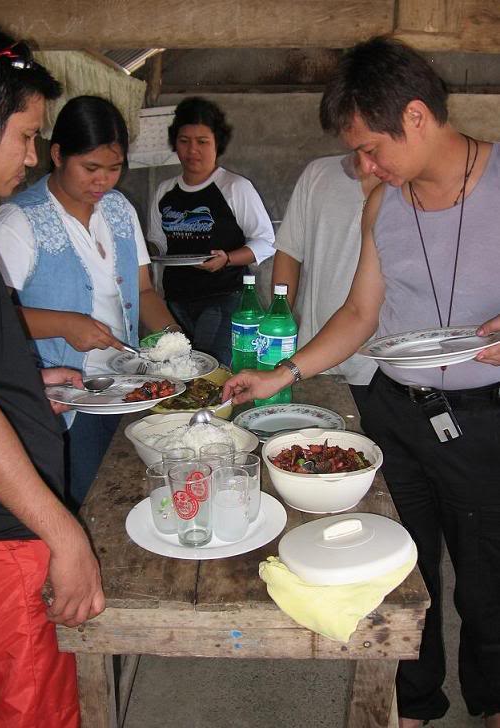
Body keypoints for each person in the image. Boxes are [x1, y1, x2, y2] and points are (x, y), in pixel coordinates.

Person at [224, 36, 500, 728]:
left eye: (370, 149)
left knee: (489, 583)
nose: (363, 167)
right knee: (396, 571)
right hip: (394, 412)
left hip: (484, 416)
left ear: (415, 118)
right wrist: (278, 374)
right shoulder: (386, 205)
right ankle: (412, 703)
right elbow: (357, 314)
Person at [0, 23, 105, 727]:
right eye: (24, 136)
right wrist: (65, 535)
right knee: (26, 711)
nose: (29, 156)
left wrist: (25, 388)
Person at [0, 95, 180, 508]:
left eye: (114, 169)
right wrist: (63, 323)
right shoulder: (18, 223)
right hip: (65, 401)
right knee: (78, 500)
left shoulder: (119, 210)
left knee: (125, 495)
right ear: (57, 155)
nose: (103, 182)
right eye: (90, 168)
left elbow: (144, 291)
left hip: (127, 387)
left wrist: (175, 342)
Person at [147, 96, 275, 367]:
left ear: (218, 143)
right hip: (175, 301)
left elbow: (266, 241)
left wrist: (227, 258)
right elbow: (158, 241)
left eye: (202, 141)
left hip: (223, 297)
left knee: (211, 370)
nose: (192, 150)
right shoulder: (165, 190)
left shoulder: (235, 187)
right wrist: (149, 252)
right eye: (184, 141)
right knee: (178, 371)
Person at [272, 153, 379, 411]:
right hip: (317, 356)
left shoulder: (411, 183)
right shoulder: (318, 173)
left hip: (383, 365)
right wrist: (277, 323)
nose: (364, 164)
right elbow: (289, 252)